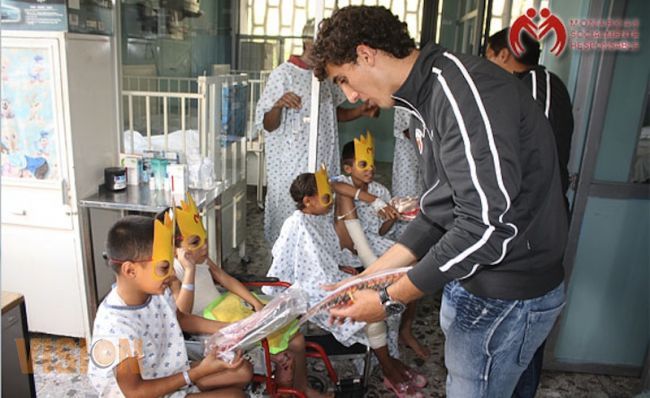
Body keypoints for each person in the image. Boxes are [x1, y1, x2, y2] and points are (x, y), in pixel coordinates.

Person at [311, 6, 568, 397]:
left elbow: (484, 227)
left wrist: (385, 299)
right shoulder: (425, 99)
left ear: (366, 54)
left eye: (344, 79)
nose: (348, 94)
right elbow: (437, 214)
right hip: (476, 282)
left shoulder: (461, 93)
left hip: (505, 293)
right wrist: (366, 279)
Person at [265, 169, 427, 397]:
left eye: (330, 196)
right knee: (373, 316)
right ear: (307, 201)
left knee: (382, 297)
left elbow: (327, 255)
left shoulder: (319, 219)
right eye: (325, 198)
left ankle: (389, 361)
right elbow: (287, 265)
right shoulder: (296, 224)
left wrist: (342, 270)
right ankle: (389, 370)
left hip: (330, 279)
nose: (331, 202)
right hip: (310, 290)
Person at [158, 193, 330, 398]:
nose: (205, 246)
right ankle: (281, 382)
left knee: (297, 339)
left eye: (204, 238)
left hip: (228, 312)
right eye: (196, 241)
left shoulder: (202, 258)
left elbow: (225, 278)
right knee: (283, 350)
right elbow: (182, 316)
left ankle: (301, 388)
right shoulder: (174, 274)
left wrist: (255, 302)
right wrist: (189, 270)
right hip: (211, 332)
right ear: (173, 248)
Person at [486, 27, 575, 398]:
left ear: (504, 55)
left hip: (528, 221)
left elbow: (515, 168)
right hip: (546, 216)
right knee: (529, 317)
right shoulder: (553, 85)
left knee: (518, 317)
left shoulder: (520, 92)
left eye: (488, 57)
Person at [88, 215, 252, 397]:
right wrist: (197, 373)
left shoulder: (156, 290)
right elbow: (135, 392)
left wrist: (232, 329)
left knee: (243, 371)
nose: (173, 273)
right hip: (144, 392)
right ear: (130, 270)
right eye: (164, 267)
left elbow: (179, 318)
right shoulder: (118, 327)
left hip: (166, 372)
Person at [255, 19, 379, 244]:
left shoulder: (326, 76)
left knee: (322, 209)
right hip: (292, 163)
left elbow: (333, 114)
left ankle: (317, 260)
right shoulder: (284, 75)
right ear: (305, 41)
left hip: (323, 159)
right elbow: (267, 124)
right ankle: (285, 267)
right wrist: (278, 105)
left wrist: (361, 111)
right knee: (291, 214)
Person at [332, 134, 429, 360]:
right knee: (396, 273)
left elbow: (382, 231)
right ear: (348, 167)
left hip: (376, 242)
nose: (370, 169)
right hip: (350, 248)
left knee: (413, 268)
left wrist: (392, 217)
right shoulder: (343, 185)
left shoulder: (381, 190)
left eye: (372, 164)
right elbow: (332, 184)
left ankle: (405, 329)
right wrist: (368, 199)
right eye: (363, 164)